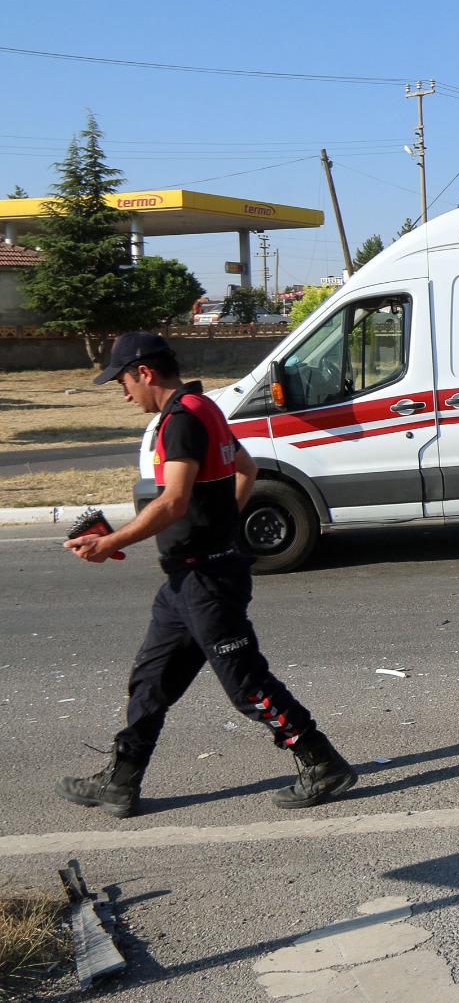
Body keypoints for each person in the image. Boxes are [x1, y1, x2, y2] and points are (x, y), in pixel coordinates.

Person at [57, 332, 356, 818]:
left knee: (247, 685)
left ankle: (321, 762)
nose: (124, 392)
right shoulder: (204, 406)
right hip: (185, 580)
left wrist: (110, 543)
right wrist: (220, 524)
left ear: (145, 373)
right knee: (150, 682)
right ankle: (121, 780)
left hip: (206, 581)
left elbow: (173, 500)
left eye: (124, 382)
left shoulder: (179, 420)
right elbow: (246, 468)